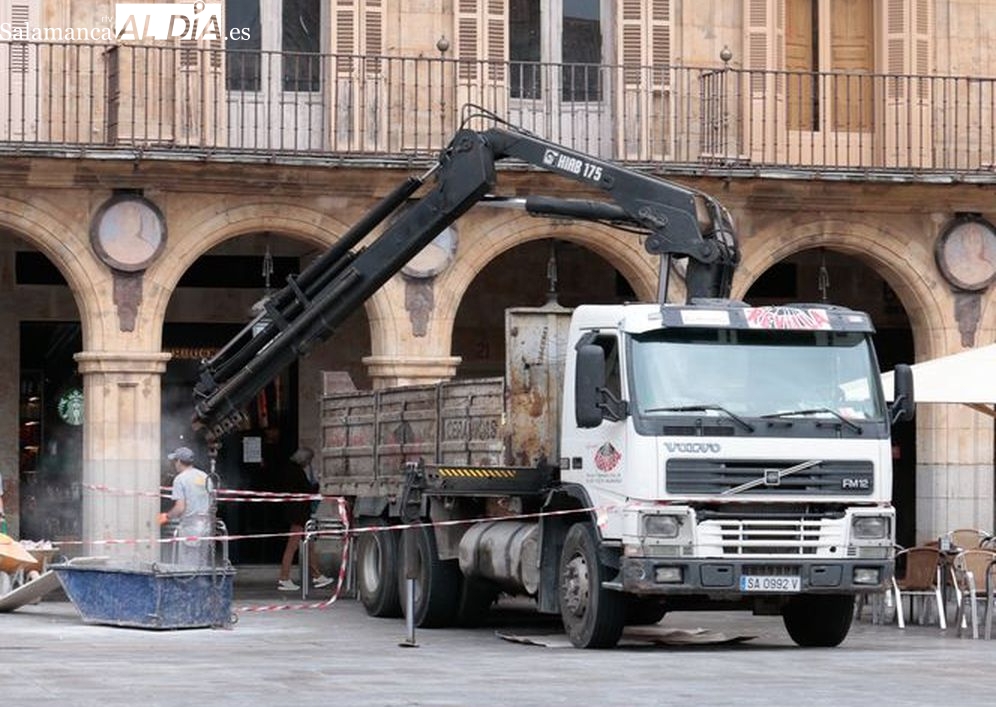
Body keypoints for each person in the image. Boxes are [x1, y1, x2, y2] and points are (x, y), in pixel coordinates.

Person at [277, 447, 332, 591]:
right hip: (298, 515)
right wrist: (318, 485)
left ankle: (317, 575)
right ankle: (284, 578)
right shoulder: (296, 471)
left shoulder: (289, 469)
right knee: (292, 547)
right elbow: (307, 490)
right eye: (309, 461)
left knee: (309, 545)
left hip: (297, 513)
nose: (309, 464)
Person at [159, 446, 214, 567]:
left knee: (188, 566)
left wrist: (166, 517)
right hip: (206, 526)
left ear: (178, 461)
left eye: (174, 461)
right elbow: (212, 503)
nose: (174, 464)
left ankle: (190, 586)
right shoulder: (204, 477)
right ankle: (202, 585)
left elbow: (180, 508)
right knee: (202, 564)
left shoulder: (180, 479)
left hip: (190, 528)